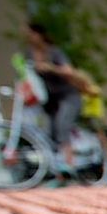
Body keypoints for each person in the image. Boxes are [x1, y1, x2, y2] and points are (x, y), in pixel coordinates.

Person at [23, 22, 81, 180]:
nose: (28, 36)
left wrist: (50, 68)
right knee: (50, 132)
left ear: (40, 34)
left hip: (67, 95)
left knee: (63, 125)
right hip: (49, 99)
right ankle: (59, 174)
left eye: (31, 33)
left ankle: (70, 166)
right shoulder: (29, 54)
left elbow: (69, 71)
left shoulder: (54, 52)